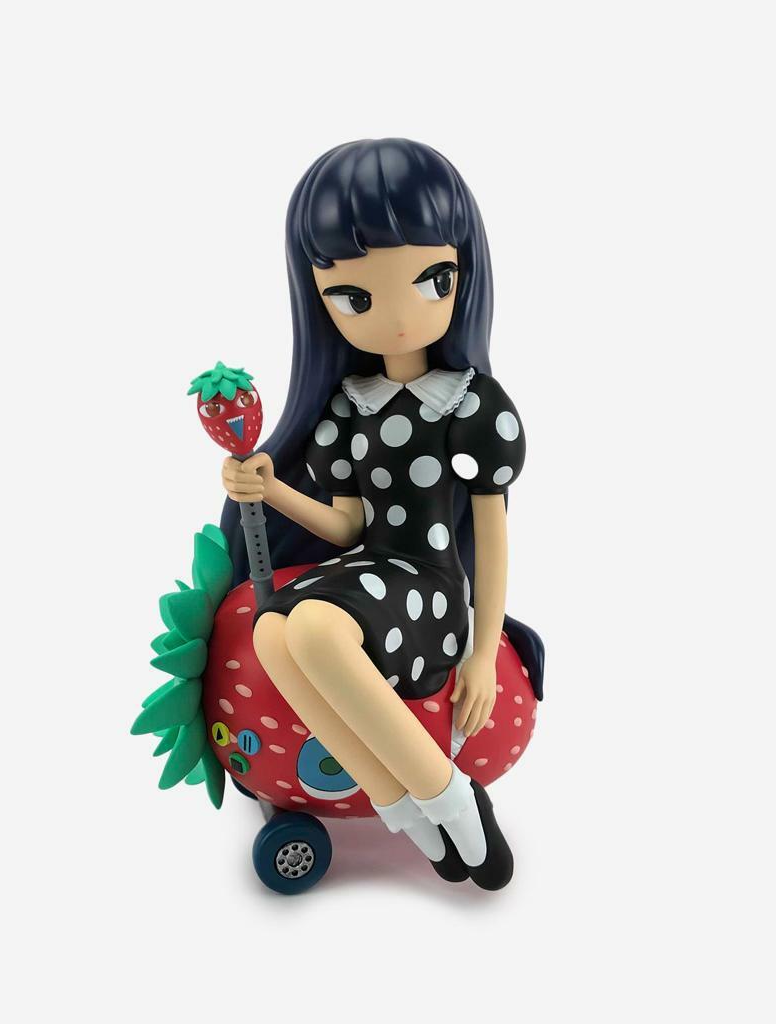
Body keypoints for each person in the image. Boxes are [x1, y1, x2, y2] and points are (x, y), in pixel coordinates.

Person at [222, 139, 526, 889]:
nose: (394, 316)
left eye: (431, 280)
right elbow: (348, 530)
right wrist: (271, 490)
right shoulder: (350, 410)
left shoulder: (470, 406)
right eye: (354, 296)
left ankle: (455, 801)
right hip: (371, 572)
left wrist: (481, 653)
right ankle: (408, 812)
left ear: (463, 276)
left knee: (312, 628)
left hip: (431, 594)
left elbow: (492, 537)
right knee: (273, 630)